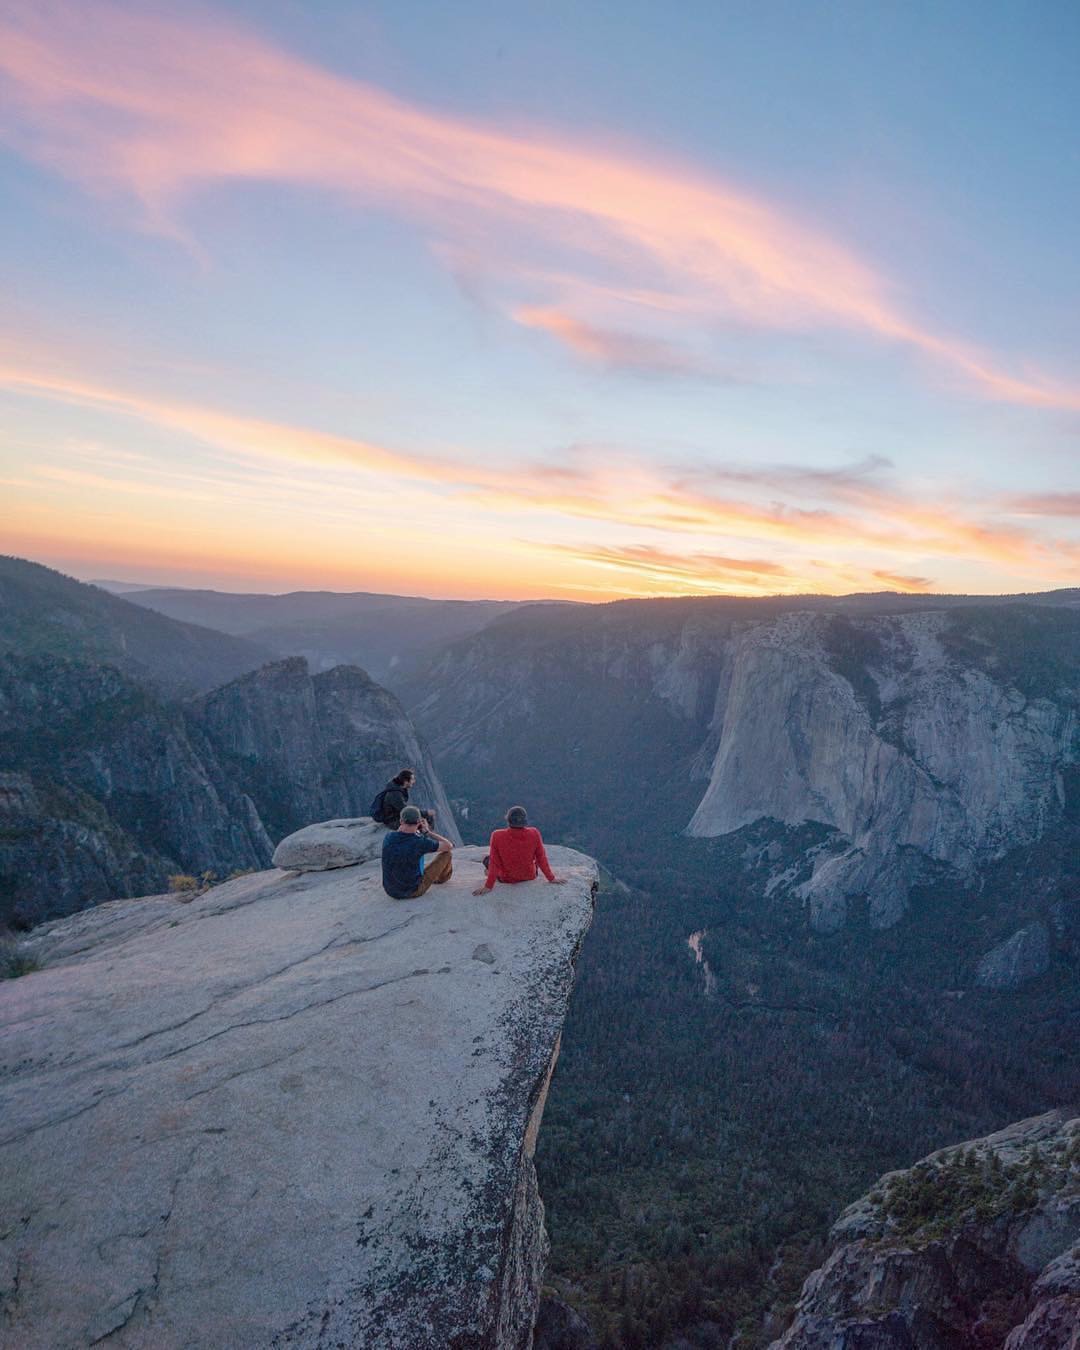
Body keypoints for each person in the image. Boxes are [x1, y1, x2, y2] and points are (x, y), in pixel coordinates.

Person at [473, 806, 566, 896]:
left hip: (506, 878)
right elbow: (541, 858)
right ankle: (490, 872)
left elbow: (494, 862)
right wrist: (551, 878)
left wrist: (488, 886)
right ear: (525, 821)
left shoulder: (497, 835)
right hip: (529, 875)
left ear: (508, 820)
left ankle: (488, 872)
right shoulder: (534, 833)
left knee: (486, 859)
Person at [382, 805, 454, 900]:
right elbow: (448, 846)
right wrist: (428, 832)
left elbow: (403, 837)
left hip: (390, 891)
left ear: (401, 821)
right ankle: (441, 879)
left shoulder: (389, 837)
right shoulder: (420, 842)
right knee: (447, 854)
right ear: (419, 822)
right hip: (412, 891)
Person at [371, 769, 436, 832]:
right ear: (405, 781)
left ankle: (426, 836)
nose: (414, 781)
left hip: (398, 816)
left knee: (426, 818)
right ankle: (423, 839)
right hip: (393, 821)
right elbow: (407, 811)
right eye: (412, 779)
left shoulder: (398, 788)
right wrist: (426, 813)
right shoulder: (395, 794)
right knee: (423, 821)